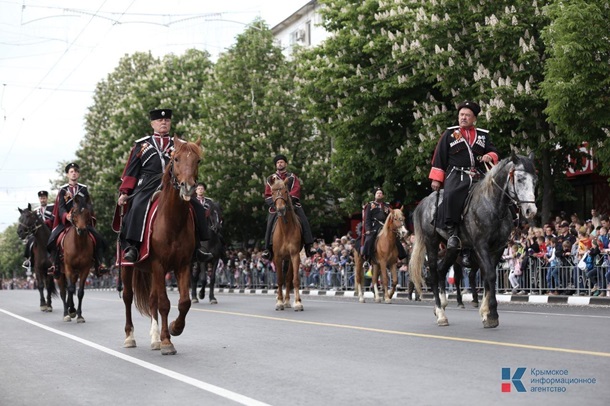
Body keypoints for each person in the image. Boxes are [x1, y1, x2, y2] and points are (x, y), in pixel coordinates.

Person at [115, 108, 212, 263]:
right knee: (138, 206)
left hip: (174, 184)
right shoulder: (142, 145)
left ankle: (198, 247)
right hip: (147, 185)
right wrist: (125, 191)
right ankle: (133, 247)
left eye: (166, 120)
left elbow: (189, 166)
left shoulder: (181, 146)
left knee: (198, 207)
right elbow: (132, 170)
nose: (163, 123)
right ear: (153, 123)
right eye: (160, 121)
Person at [429, 101, 499, 267]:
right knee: (452, 195)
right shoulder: (450, 134)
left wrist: (489, 155)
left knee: (497, 195)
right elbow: (439, 156)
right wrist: (437, 178)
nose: (463, 118)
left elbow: (494, 151)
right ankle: (452, 233)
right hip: (457, 175)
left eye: (467, 115)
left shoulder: (483, 135)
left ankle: (499, 232)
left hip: (478, 175)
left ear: (474, 118)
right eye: (461, 115)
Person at [47, 163, 107, 278]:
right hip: (67, 223)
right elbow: (60, 207)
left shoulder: (83, 189)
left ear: (78, 174)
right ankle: (55, 265)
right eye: (71, 171)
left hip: (81, 221)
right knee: (52, 239)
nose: (73, 173)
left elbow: (88, 205)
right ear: (67, 175)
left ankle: (99, 265)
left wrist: (86, 214)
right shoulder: (63, 190)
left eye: (75, 171)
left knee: (99, 239)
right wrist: (66, 215)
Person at [262, 154, 314, 260]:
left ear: (285, 164)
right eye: (278, 162)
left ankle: (309, 245)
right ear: (276, 165)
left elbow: (296, 189)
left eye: (281, 162)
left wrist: (288, 201)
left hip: (292, 205)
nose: (279, 164)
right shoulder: (271, 179)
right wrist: (276, 204)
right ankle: (267, 249)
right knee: (269, 224)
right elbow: (267, 194)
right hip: (276, 206)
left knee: (304, 220)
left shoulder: (292, 177)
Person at [360, 187, 407, 262]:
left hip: (386, 226)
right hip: (374, 226)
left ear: (383, 196)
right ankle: (367, 258)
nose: (379, 194)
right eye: (377, 193)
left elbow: (392, 216)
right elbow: (367, 219)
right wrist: (368, 229)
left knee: (396, 238)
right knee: (369, 239)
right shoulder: (370, 205)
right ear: (375, 195)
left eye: (380, 193)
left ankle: (400, 257)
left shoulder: (387, 205)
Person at [22, 190, 55, 268]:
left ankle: (60, 257)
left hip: (50, 230)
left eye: (44, 198)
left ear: (47, 198)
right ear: (39, 199)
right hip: (39, 233)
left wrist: (47, 222)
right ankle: (29, 259)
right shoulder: (36, 210)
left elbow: (54, 218)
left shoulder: (52, 207)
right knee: (30, 241)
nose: (42, 200)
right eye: (41, 198)